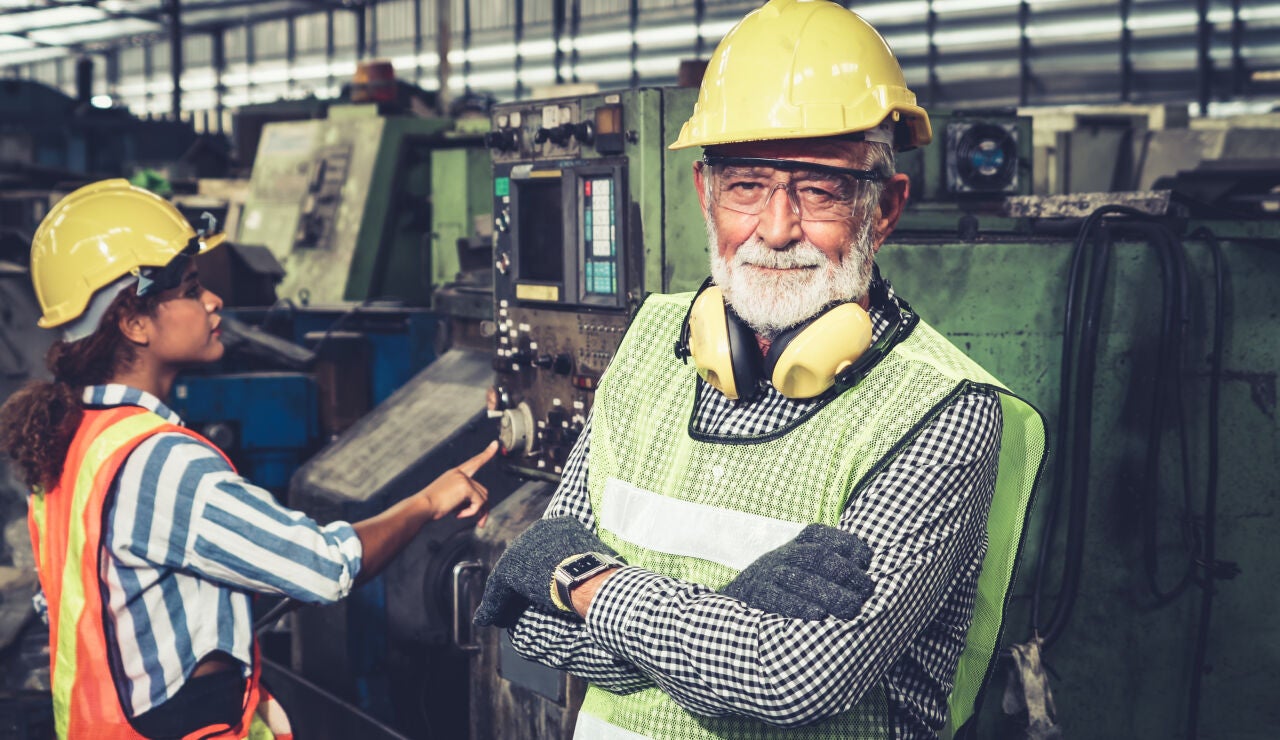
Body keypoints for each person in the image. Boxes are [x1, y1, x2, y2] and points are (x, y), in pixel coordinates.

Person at [473, 1, 1047, 738]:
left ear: (885, 209)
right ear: (705, 195)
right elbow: (533, 624)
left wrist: (586, 583)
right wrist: (734, 627)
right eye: (747, 186)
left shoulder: (942, 410)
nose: (777, 230)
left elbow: (799, 678)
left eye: (819, 190)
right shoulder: (651, 343)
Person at [0, 178, 498, 739]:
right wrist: (428, 501)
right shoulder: (159, 462)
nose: (213, 300)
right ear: (133, 321)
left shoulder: (75, 439)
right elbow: (325, 567)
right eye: (190, 289)